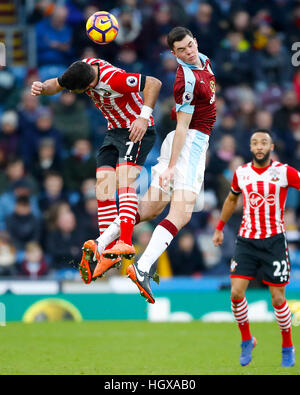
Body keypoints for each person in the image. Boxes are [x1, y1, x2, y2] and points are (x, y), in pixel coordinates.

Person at [89, 27, 216, 303]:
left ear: (195, 40)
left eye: (190, 45)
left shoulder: (203, 60)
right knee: (181, 215)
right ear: (174, 54)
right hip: (189, 145)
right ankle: (143, 267)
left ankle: (100, 245)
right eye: (181, 50)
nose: (189, 51)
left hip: (182, 144)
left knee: (149, 209)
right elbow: (182, 127)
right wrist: (171, 166)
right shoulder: (187, 81)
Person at [31, 53, 162, 284]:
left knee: (124, 182)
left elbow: (153, 82)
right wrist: (42, 88)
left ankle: (126, 242)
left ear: (89, 85)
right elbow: (57, 84)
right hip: (114, 131)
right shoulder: (80, 69)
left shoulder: (114, 79)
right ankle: (106, 250)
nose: (71, 94)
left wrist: (143, 117)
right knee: (102, 188)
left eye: (76, 91)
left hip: (136, 130)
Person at [212, 129, 297, 368]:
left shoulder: (283, 172)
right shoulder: (242, 173)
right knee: (236, 293)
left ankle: (287, 345)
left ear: (271, 148)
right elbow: (231, 199)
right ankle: (247, 340)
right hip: (247, 240)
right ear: (250, 148)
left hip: (274, 242)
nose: (259, 146)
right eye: (254, 143)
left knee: (278, 298)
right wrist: (219, 227)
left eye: (264, 143)